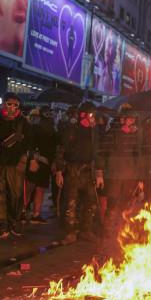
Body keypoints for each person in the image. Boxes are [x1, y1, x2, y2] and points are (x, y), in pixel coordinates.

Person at [55, 102, 103, 245]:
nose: (92, 119)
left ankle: (86, 230)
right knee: (70, 202)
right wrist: (59, 171)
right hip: (72, 170)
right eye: (90, 115)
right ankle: (70, 232)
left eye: (93, 115)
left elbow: (97, 153)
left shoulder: (94, 132)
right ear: (82, 115)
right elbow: (60, 151)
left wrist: (99, 174)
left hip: (88, 171)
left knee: (90, 203)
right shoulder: (71, 130)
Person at [0, 92, 32, 238]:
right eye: (9, 104)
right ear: (4, 104)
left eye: (15, 105)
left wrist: (29, 160)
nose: (12, 107)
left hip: (17, 164)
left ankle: (14, 224)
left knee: (16, 196)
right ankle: (3, 226)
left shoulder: (23, 122)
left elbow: (30, 143)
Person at [100, 104, 144, 235]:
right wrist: (99, 173)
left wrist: (139, 176)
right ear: (122, 119)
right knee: (112, 203)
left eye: (133, 120)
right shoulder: (111, 133)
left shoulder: (135, 135)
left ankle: (121, 231)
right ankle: (107, 232)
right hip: (114, 174)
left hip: (129, 175)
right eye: (129, 119)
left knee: (126, 203)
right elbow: (102, 153)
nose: (132, 122)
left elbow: (137, 155)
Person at [25, 106, 58, 224]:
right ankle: (23, 212)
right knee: (30, 187)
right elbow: (30, 145)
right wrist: (34, 159)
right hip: (37, 161)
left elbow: (55, 147)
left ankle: (36, 214)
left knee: (40, 188)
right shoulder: (35, 128)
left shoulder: (52, 130)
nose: (49, 115)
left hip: (45, 163)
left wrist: (53, 162)